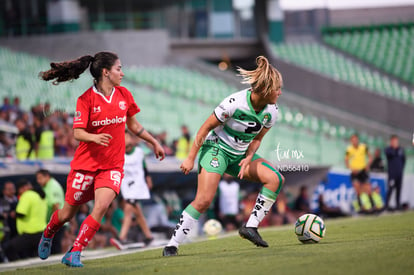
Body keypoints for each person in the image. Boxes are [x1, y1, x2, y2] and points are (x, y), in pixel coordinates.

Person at [37, 51, 165, 267]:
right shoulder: (86, 100)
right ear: (106, 72)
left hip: (112, 166)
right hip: (85, 167)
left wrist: (153, 141)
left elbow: (133, 126)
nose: (122, 73)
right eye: (118, 69)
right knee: (67, 214)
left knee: (102, 206)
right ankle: (49, 232)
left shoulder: (124, 95)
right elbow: (77, 133)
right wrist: (95, 137)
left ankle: (75, 252)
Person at [163, 56, 285, 256]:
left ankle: (250, 227)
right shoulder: (234, 102)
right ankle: (172, 245)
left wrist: (249, 156)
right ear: (264, 89)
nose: (280, 93)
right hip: (216, 150)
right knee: (203, 201)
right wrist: (190, 157)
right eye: (277, 89)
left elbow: (257, 138)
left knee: (275, 179)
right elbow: (205, 128)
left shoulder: (272, 112)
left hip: (241, 156)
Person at [110, 131, 154, 249]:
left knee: (128, 211)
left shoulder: (139, 152)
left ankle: (121, 238)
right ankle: (148, 236)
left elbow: (144, 167)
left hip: (137, 186)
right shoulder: (120, 155)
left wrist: (148, 178)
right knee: (137, 213)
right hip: (127, 187)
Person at [4, 179, 47, 262]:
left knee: (9, 248)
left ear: (22, 188)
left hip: (30, 232)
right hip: (42, 231)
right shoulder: (40, 195)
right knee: (34, 256)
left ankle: (17, 268)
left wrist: (13, 214)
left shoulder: (27, 195)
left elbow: (21, 213)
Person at [36, 169, 65, 254]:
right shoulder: (50, 185)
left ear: (47, 176)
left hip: (57, 221)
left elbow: (56, 205)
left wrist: (53, 223)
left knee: (54, 247)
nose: (38, 181)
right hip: (60, 220)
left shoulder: (51, 186)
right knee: (55, 246)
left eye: (40, 178)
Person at [345, 133, 373, 213]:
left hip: (363, 171)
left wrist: (368, 165)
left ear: (358, 140)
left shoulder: (363, 147)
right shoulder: (349, 149)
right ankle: (361, 208)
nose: (354, 141)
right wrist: (351, 168)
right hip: (355, 172)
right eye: (353, 140)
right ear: (351, 141)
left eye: (355, 139)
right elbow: (346, 161)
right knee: (357, 190)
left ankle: (372, 205)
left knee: (368, 189)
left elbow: (370, 157)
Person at [384, 135, 405, 211]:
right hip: (392, 174)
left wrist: (401, 169)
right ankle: (386, 205)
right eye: (393, 141)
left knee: (399, 190)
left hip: (399, 173)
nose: (395, 142)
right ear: (391, 141)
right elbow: (389, 154)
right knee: (390, 189)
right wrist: (394, 148)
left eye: (396, 141)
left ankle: (398, 205)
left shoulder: (401, 150)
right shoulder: (388, 149)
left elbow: (403, 160)